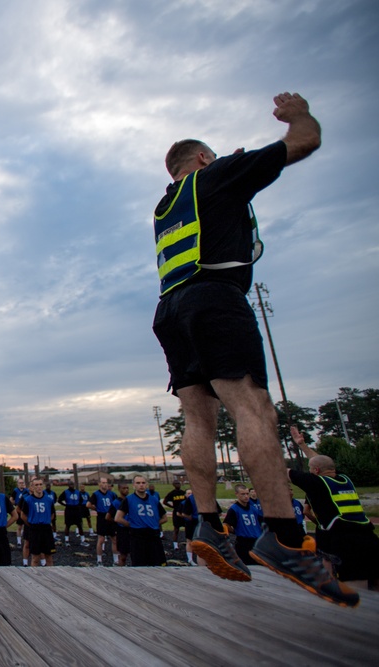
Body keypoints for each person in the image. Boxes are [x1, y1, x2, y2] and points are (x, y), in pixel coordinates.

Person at [150, 91, 356, 606]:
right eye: (213, 156)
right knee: (254, 408)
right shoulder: (215, 177)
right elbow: (304, 142)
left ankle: (209, 523)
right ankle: (285, 536)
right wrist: (297, 114)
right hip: (216, 299)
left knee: (198, 418)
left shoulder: (165, 205)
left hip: (171, 309)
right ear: (201, 159)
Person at [288, 428, 379, 592]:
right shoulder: (344, 479)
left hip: (347, 541)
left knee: (356, 590)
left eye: (310, 469)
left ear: (315, 471)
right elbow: (322, 462)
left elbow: (285, 472)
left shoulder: (317, 483)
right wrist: (303, 446)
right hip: (369, 537)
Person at [114, 476, 168, 567]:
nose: (141, 485)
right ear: (134, 485)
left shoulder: (153, 500)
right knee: (140, 565)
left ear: (146, 485)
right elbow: (118, 518)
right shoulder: (129, 499)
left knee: (159, 565)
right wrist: (132, 525)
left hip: (153, 535)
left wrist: (153, 524)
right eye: (138, 483)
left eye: (143, 483)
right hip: (138, 536)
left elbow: (165, 517)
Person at [19, 478, 56, 567]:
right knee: (35, 557)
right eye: (36, 485)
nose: (39, 487)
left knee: (49, 556)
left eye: (40, 484)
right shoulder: (28, 500)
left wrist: (46, 521)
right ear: (32, 487)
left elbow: (52, 514)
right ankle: (34, 576)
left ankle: (51, 577)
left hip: (46, 529)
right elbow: (23, 515)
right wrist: (31, 524)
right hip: (34, 529)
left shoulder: (48, 499)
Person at [223, 484, 263, 565]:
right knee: (248, 565)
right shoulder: (234, 509)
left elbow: (261, 522)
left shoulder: (253, 509)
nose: (246, 496)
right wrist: (235, 530)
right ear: (236, 494)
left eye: (247, 494)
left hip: (256, 541)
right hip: (243, 542)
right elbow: (226, 524)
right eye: (243, 494)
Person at [88, 477, 118, 565]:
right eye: (103, 482)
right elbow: (88, 504)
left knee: (114, 539)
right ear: (99, 484)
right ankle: (99, 560)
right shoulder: (96, 494)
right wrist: (96, 508)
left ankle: (115, 560)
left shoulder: (112, 494)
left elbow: (116, 504)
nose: (105, 484)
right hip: (101, 517)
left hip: (110, 517)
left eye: (106, 482)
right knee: (101, 539)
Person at [109, 482, 132, 566]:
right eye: (124, 488)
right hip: (122, 530)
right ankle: (121, 567)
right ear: (119, 489)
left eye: (127, 488)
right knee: (123, 555)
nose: (126, 490)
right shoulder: (116, 502)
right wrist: (119, 523)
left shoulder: (131, 500)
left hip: (133, 529)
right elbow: (108, 517)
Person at [174, 489, 200, 565]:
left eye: (191, 493)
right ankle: (190, 559)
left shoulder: (196, 500)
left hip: (199, 522)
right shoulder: (183, 503)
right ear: (185, 495)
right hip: (190, 523)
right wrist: (189, 517)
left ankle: (200, 559)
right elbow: (179, 513)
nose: (190, 494)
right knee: (189, 540)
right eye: (188, 493)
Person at [58, 482, 85, 546]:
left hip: (76, 510)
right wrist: (65, 505)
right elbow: (59, 500)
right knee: (67, 525)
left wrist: (79, 505)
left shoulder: (78, 492)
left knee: (79, 525)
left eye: (72, 484)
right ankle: (66, 540)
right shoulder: (65, 492)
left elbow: (81, 500)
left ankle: (83, 540)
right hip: (69, 510)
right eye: (70, 484)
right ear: (68, 485)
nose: (71, 486)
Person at [163, 481, 188, 549]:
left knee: (187, 528)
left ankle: (188, 542)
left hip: (183, 512)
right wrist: (172, 507)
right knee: (176, 529)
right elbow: (164, 501)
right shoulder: (172, 493)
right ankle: (175, 545)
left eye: (179, 483)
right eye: (176, 483)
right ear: (173, 485)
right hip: (176, 512)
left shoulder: (183, 493)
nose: (178, 485)